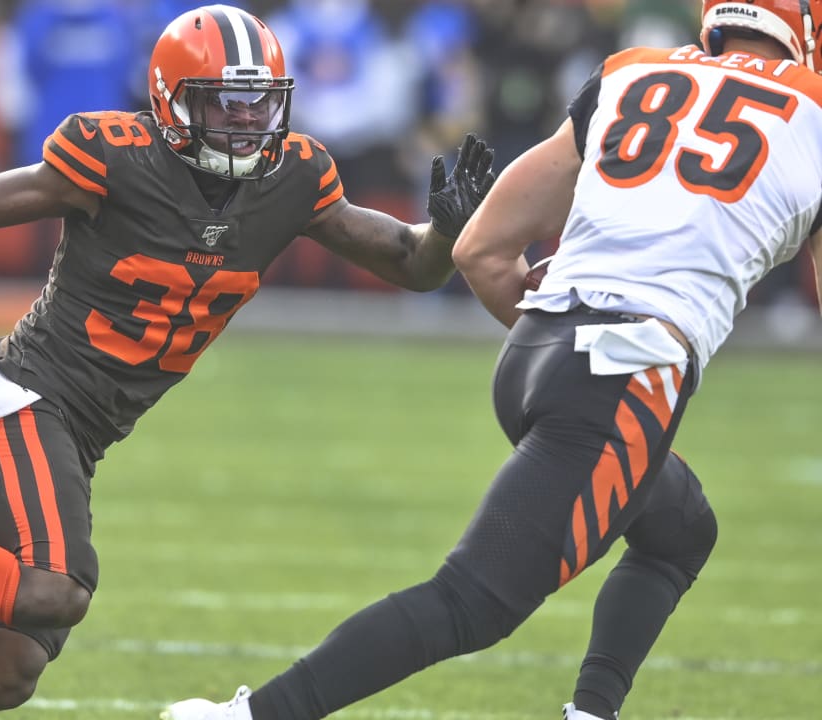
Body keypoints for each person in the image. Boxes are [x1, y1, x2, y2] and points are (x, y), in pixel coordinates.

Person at [0, 5, 495, 720]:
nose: (246, 119)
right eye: (224, 102)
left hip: (80, 432)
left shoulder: (293, 177)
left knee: (5, 672)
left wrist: (447, 234)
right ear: (170, 103)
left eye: (259, 102)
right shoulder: (114, 154)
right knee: (57, 591)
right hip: (25, 397)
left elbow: (410, 262)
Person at [162, 2, 822, 720]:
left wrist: (566, 328)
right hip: (622, 375)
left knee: (681, 528)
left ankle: (590, 713)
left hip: (534, 354)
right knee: (470, 603)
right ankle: (252, 716)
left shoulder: (632, 73)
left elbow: (479, 250)